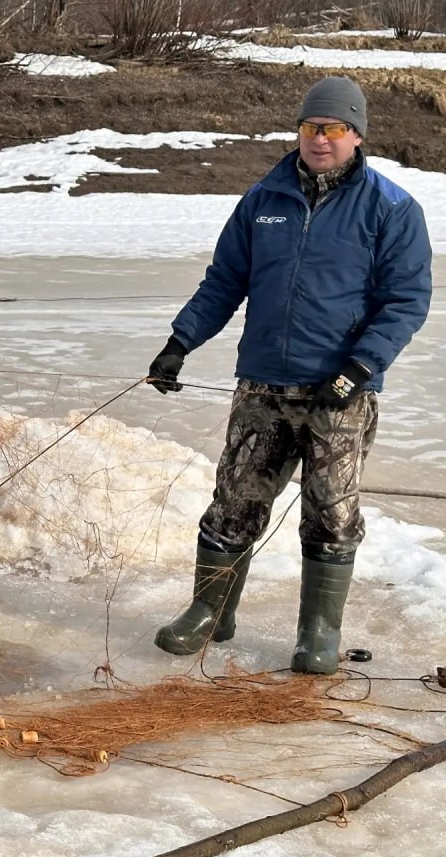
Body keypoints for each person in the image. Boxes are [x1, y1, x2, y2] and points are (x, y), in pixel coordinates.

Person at [147, 76, 432, 675]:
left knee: (330, 513)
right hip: (263, 386)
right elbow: (225, 280)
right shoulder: (263, 200)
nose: (319, 139)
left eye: (332, 128)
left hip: (340, 391)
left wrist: (360, 366)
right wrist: (180, 342)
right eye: (310, 127)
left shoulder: (392, 208)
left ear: (356, 135)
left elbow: (405, 300)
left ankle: (317, 635)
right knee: (234, 500)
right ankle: (210, 611)